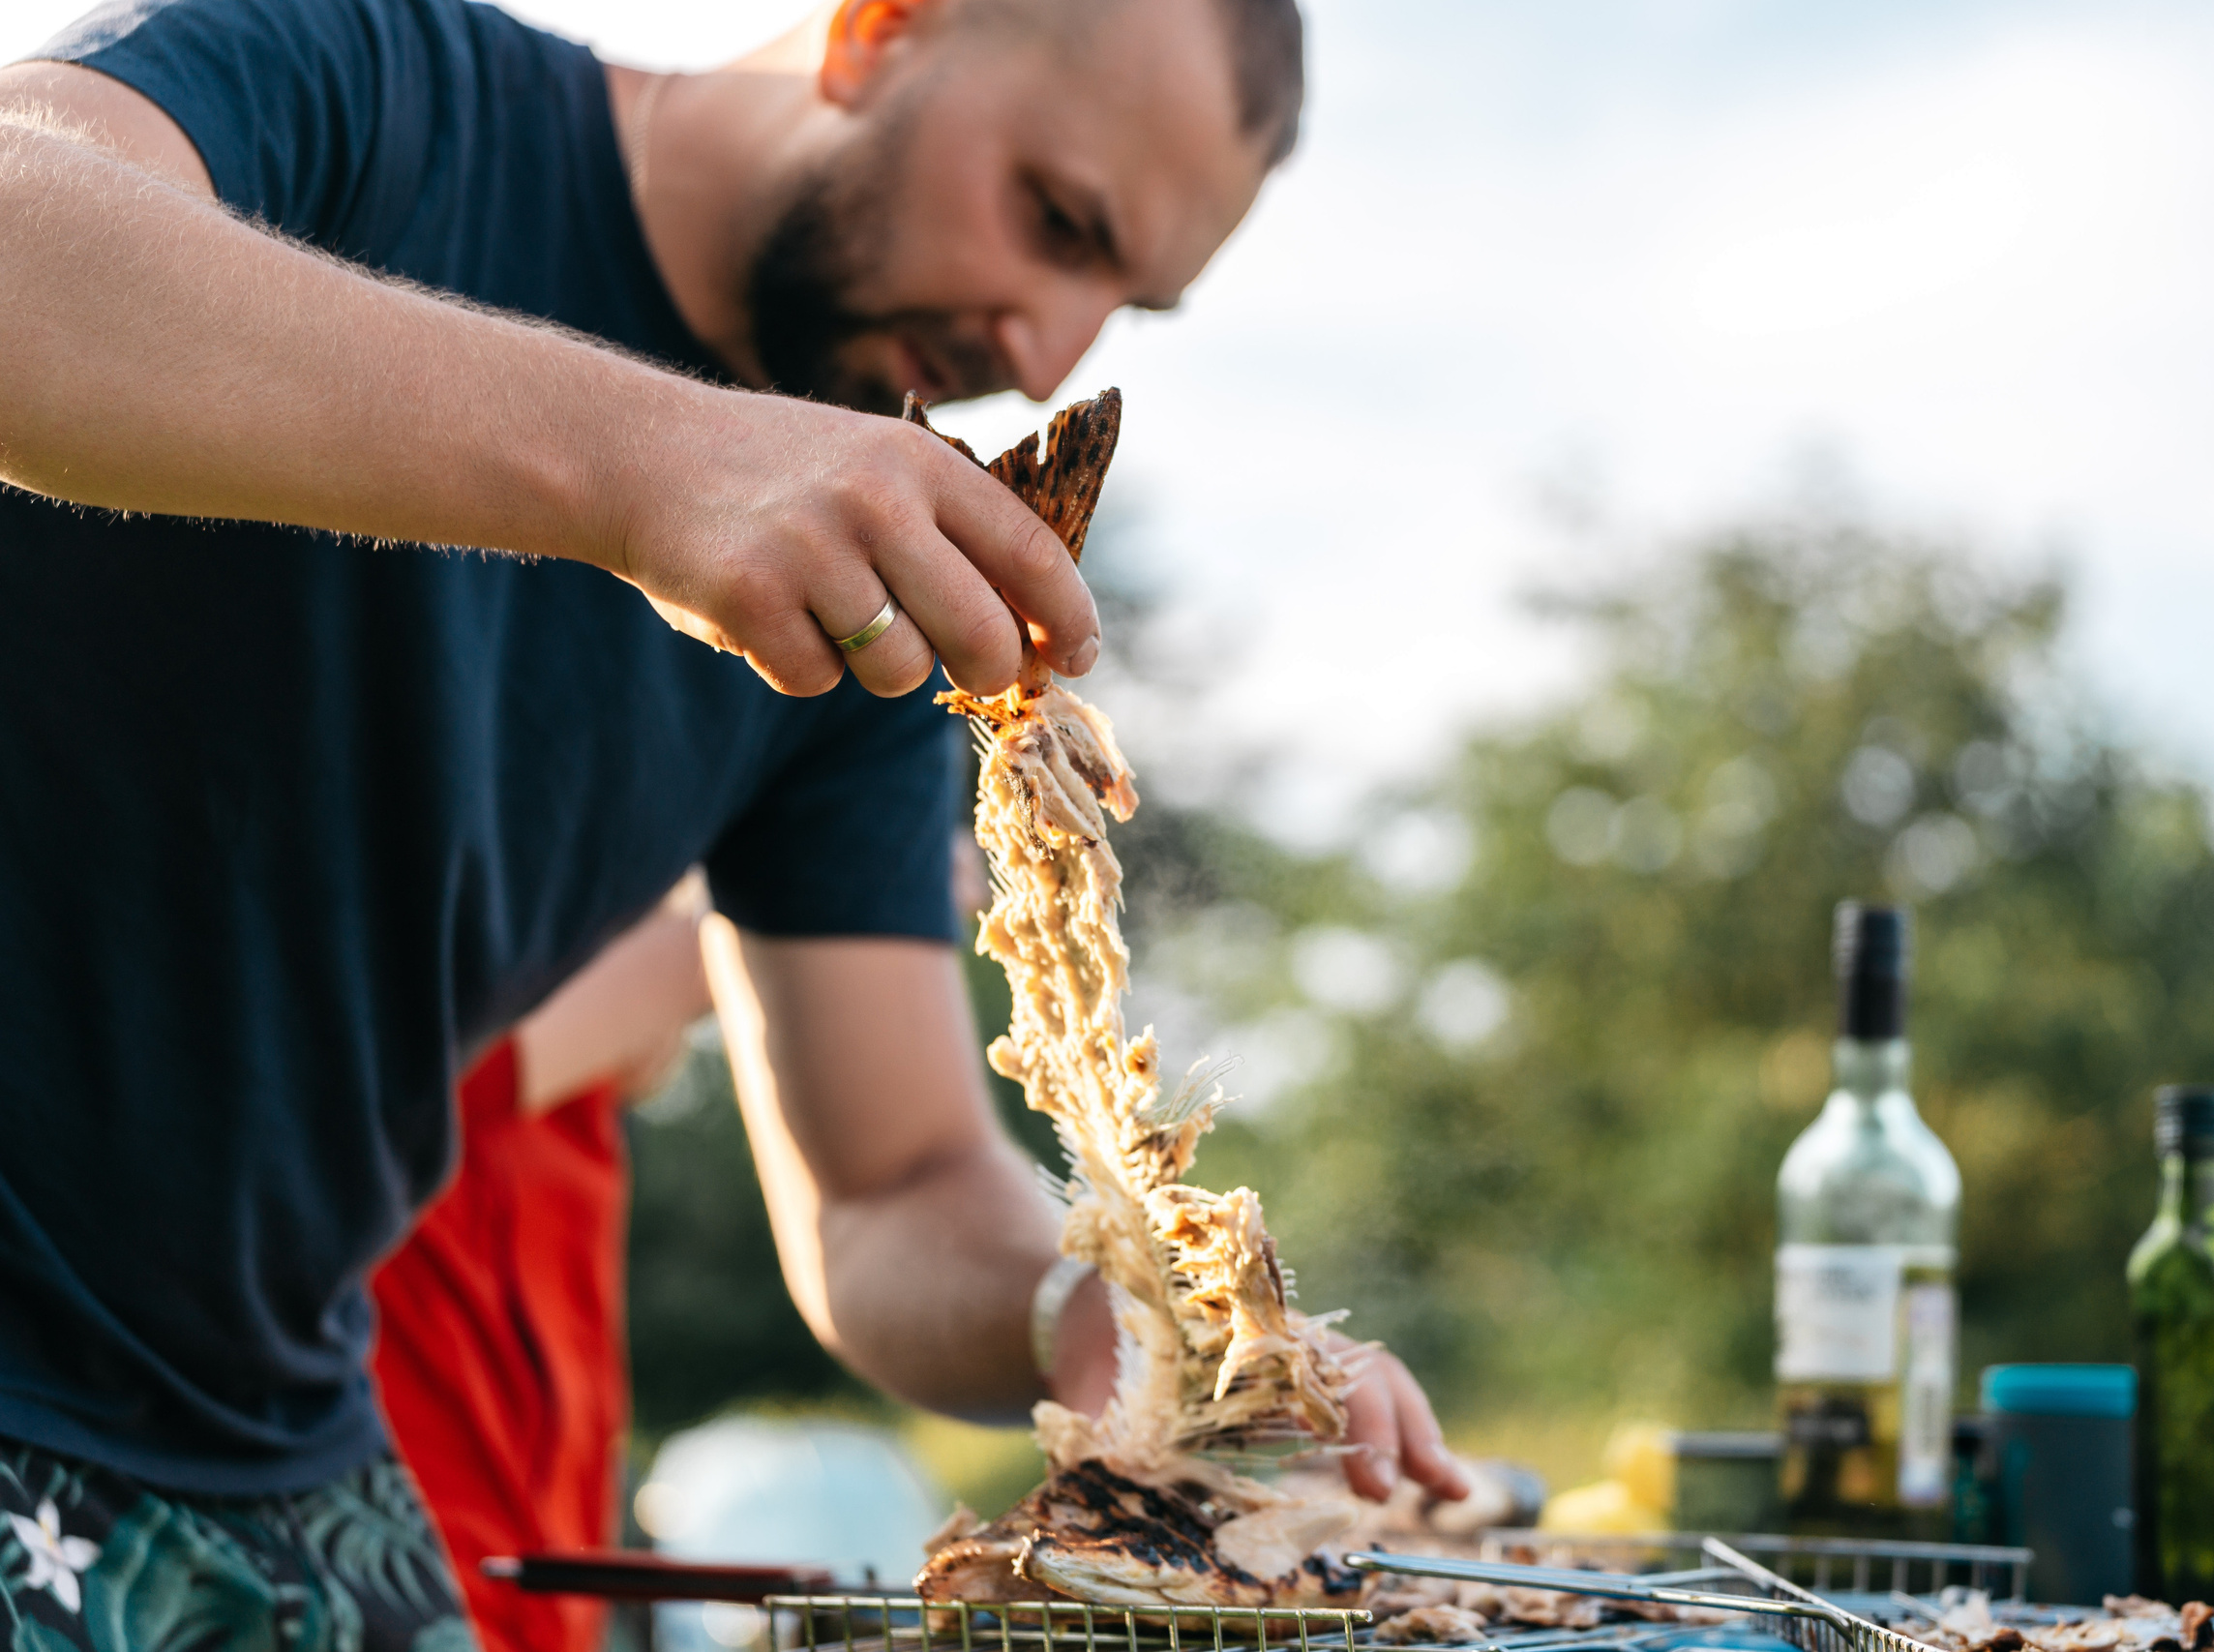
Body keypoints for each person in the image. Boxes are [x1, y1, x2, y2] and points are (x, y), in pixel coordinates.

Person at [0, 0, 1464, 1646]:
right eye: (1056, 221)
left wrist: (1104, 1312)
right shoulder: (373, 80)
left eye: (1122, 299)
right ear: (882, 30)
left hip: (271, 1445)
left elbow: (891, 1186)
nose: (1050, 352)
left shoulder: (851, 579)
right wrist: (653, 463)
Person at [370, 882, 712, 1652]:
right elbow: (447, 1075)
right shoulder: (445, 1034)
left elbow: (647, 1044)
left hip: (543, 1599)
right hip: (416, 1585)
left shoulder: (574, 1093)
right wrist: (826, 884)